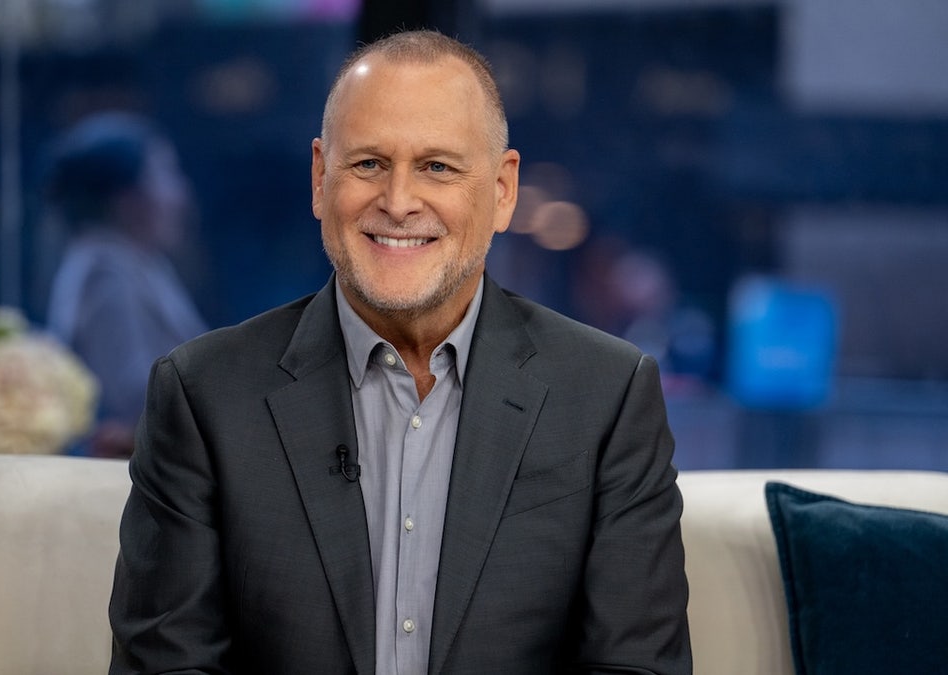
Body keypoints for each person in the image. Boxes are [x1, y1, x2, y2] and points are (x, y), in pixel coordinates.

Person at [108, 30, 691, 674]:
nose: (398, 201)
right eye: (368, 164)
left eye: (437, 166)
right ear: (320, 179)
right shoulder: (202, 396)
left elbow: (638, 666)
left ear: (502, 191)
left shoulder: (608, 395)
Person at [43, 112, 207, 458]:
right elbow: (134, 395)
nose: (181, 194)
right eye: (166, 175)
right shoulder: (104, 269)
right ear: (126, 197)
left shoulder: (139, 262)